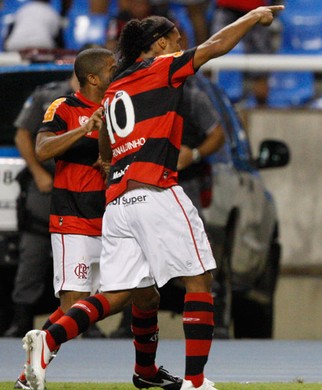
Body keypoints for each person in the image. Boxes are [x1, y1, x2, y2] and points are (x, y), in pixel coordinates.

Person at [22, 6, 284, 390]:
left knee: (115, 295)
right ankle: (196, 381)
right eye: (176, 40)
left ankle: (51, 339)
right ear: (160, 44)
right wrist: (251, 16)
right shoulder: (161, 68)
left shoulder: (113, 89)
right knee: (199, 280)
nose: (181, 45)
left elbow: (107, 150)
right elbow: (214, 45)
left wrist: (117, 161)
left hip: (118, 202)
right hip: (156, 189)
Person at [109, 72, 225, 339]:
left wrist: (194, 154)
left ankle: (213, 318)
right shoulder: (138, 96)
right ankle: (132, 321)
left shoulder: (190, 97)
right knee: (150, 261)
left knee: (194, 260)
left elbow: (217, 134)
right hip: (146, 186)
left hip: (182, 184)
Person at [3, 69, 105, 342]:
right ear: (89, 74)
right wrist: (37, 172)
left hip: (95, 196)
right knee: (33, 252)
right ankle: (23, 318)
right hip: (50, 185)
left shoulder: (113, 102)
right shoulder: (51, 98)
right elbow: (25, 137)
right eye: (110, 68)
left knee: (96, 281)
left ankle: (85, 322)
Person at [212, 0, 274, 106]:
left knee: (261, 67)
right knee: (212, 54)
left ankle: (262, 110)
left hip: (256, 9)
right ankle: (214, 106)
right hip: (226, 8)